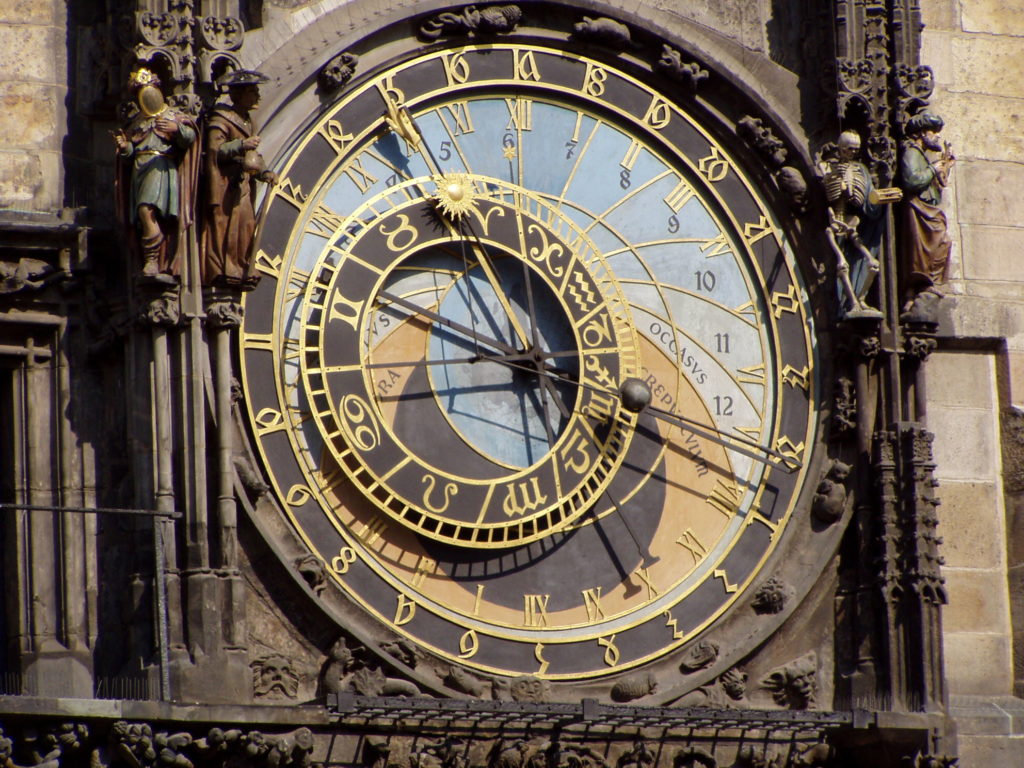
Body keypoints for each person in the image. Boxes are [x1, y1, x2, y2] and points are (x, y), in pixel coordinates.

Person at [113, 68, 199, 280]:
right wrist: (125, 147)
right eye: (142, 91)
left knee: (146, 210)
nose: (148, 94)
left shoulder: (172, 116)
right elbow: (129, 155)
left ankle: (152, 259)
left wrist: (175, 129)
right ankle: (153, 256)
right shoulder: (137, 122)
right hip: (139, 170)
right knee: (143, 216)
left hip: (160, 166)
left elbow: (189, 138)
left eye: (150, 89)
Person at [200, 69, 278, 288]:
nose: (258, 96)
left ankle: (241, 265)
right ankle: (227, 268)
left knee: (246, 224)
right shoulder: (221, 119)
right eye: (253, 91)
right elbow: (215, 150)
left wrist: (265, 172)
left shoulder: (247, 121)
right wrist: (241, 145)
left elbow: (253, 157)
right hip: (226, 186)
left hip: (242, 184)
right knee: (229, 223)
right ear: (239, 95)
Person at [820, 130, 901, 315]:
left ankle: (861, 299)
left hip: (855, 222)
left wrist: (877, 198)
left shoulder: (861, 170)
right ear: (840, 148)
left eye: (856, 150)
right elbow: (827, 197)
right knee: (843, 263)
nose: (853, 153)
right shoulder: (827, 168)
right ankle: (851, 302)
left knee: (872, 264)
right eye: (849, 149)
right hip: (837, 221)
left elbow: (866, 199)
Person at [898, 111, 955, 308]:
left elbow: (934, 185)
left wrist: (943, 168)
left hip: (928, 209)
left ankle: (928, 283)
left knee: (943, 243)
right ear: (922, 133)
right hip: (919, 210)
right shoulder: (912, 153)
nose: (937, 136)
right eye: (933, 131)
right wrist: (933, 169)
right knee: (931, 246)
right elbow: (912, 180)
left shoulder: (921, 155)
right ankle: (919, 286)